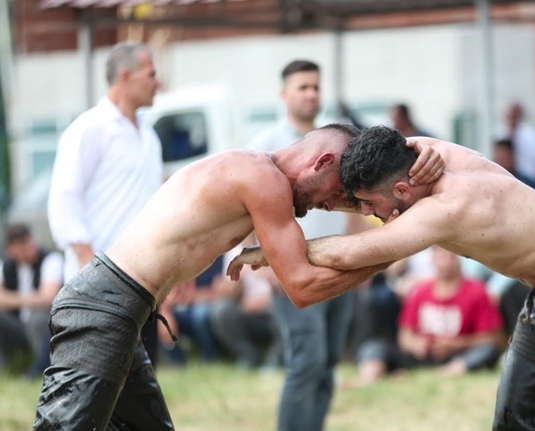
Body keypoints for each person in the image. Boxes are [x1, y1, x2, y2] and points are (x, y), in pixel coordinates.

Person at [231, 126, 535, 430]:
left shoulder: (448, 206)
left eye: (368, 205)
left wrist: (266, 251)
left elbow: (355, 251)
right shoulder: (420, 154)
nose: (364, 214)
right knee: (519, 421)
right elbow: (382, 148)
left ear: (401, 191)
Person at [32, 122, 442, 431]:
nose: (331, 205)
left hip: (123, 308)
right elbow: (301, 287)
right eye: (335, 193)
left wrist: (420, 161)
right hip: (104, 304)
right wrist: (395, 248)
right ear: (322, 162)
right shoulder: (263, 182)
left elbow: (362, 202)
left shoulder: (259, 173)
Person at [248, 59, 358, 431]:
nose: (311, 94)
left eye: (315, 86)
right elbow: (248, 215)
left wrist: (363, 253)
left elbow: (353, 204)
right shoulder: (266, 147)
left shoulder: (338, 142)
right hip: (293, 270)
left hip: (341, 265)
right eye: (302, 87)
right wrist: (266, 269)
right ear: (284, 94)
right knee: (306, 361)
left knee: (327, 363)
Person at [47, 41, 164, 365]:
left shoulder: (149, 137)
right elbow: (63, 199)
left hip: (143, 281)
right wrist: (88, 263)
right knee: (97, 385)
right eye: (152, 74)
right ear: (126, 76)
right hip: (98, 283)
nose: (159, 82)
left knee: (141, 383)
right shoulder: (89, 129)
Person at [355, 246, 504, 385]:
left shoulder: (477, 291)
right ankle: (367, 379)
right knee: (373, 346)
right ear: (432, 259)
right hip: (421, 356)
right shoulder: (420, 291)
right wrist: (415, 344)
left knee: (487, 351)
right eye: (441, 255)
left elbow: (494, 339)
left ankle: (447, 372)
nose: (446, 260)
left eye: (450, 255)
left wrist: (456, 344)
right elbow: (404, 337)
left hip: (458, 356)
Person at [0, 224, 63, 377]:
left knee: (38, 319)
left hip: (44, 325)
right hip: (17, 326)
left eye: (28, 244)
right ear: (11, 250)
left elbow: (48, 298)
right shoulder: (6, 266)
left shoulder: (51, 260)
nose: (29, 250)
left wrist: (10, 298)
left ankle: (39, 369)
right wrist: (34, 297)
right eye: (21, 248)